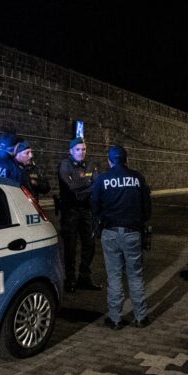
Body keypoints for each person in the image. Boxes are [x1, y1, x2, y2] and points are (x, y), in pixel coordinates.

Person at [92, 145, 151, 330]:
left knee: (114, 276)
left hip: (110, 233)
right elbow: (147, 209)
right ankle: (141, 317)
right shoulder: (137, 178)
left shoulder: (102, 179)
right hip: (133, 232)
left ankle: (116, 319)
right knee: (135, 276)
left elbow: (94, 207)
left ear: (110, 161)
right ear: (127, 160)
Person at [58, 137, 101, 292]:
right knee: (70, 246)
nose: (81, 152)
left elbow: (98, 185)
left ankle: (84, 277)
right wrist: (88, 184)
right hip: (70, 211)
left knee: (89, 244)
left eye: (83, 149)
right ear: (71, 151)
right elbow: (70, 188)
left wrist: (82, 190)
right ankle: (69, 279)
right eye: (78, 149)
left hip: (87, 211)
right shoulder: (64, 165)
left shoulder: (91, 164)